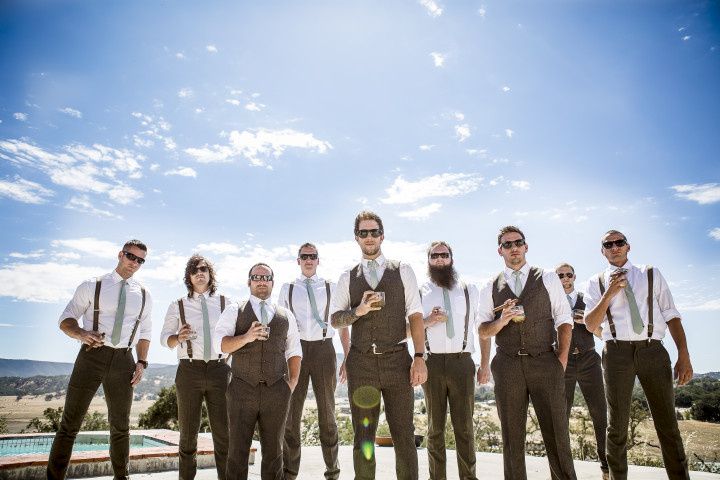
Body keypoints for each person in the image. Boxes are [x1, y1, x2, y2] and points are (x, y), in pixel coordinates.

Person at [584, 230, 692, 480]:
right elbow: (590, 324)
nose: (614, 247)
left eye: (619, 242)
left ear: (628, 247)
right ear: (603, 251)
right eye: (608, 244)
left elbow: (671, 314)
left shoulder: (650, 273)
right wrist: (609, 292)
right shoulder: (596, 282)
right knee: (617, 426)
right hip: (616, 354)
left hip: (652, 350)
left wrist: (683, 355)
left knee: (668, 424)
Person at [330, 210, 427, 480]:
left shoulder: (403, 271)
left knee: (404, 435)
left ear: (382, 235)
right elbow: (335, 320)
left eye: (374, 232)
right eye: (364, 233)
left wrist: (419, 356)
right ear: (356, 238)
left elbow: (416, 316)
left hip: (398, 360)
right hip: (361, 364)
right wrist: (357, 311)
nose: (369, 237)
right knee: (363, 438)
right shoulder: (346, 277)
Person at [47, 239, 153, 480]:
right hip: (91, 357)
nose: (134, 262)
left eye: (140, 260)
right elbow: (66, 319)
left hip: (124, 360)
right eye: (130, 256)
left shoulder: (144, 295)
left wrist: (141, 362)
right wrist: (82, 333)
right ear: (120, 254)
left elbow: (145, 333)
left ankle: (121, 477)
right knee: (69, 424)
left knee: (121, 427)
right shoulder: (92, 285)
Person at [479, 226, 576, 480]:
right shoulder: (490, 286)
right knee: (512, 439)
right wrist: (501, 321)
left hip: (545, 362)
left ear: (526, 246)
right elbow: (483, 329)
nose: (514, 248)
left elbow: (564, 319)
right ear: (500, 250)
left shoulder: (547, 278)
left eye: (518, 243)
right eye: (507, 244)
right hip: (508, 366)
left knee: (557, 435)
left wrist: (562, 359)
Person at [214, 263, 302, 480]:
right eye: (256, 277)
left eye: (266, 277)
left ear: (272, 282)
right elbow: (220, 345)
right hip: (242, 389)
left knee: (274, 453)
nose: (261, 281)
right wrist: (246, 337)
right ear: (249, 282)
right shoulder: (235, 309)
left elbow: (294, 351)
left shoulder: (286, 315)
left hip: (277, 391)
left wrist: (290, 384)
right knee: (237, 452)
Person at [419, 241, 490, 480]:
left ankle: (468, 477)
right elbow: (408, 329)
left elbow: (482, 329)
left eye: (444, 255)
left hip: (463, 363)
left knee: (464, 428)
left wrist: (485, 364)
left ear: (452, 258)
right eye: (435, 255)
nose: (440, 259)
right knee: (434, 428)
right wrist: (428, 320)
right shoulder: (420, 292)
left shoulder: (470, 289)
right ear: (429, 260)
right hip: (432, 364)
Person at [281, 243, 349, 480]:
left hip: (324, 350)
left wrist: (347, 357)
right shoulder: (287, 288)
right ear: (297, 260)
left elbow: (341, 324)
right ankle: (289, 472)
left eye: (313, 256)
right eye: (304, 256)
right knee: (291, 415)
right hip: (296, 351)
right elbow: (281, 327)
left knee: (327, 414)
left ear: (318, 260)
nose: (308, 260)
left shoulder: (332, 287)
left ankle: (333, 471)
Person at [160, 254, 230, 480]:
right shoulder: (177, 305)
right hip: (189, 372)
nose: (199, 273)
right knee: (188, 436)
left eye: (204, 269)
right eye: (194, 270)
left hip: (220, 371)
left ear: (210, 275)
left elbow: (236, 336)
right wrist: (178, 337)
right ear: (189, 277)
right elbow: (164, 339)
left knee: (224, 435)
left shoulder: (225, 303)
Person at [555, 262, 608, 479]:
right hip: (563, 364)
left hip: (589, 360)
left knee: (600, 413)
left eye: (568, 275)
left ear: (574, 276)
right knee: (561, 416)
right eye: (560, 276)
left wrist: (587, 323)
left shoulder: (587, 300)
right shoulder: (552, 302)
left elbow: (603, 333)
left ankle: (606, 465)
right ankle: (563, 470)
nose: (565, 279)